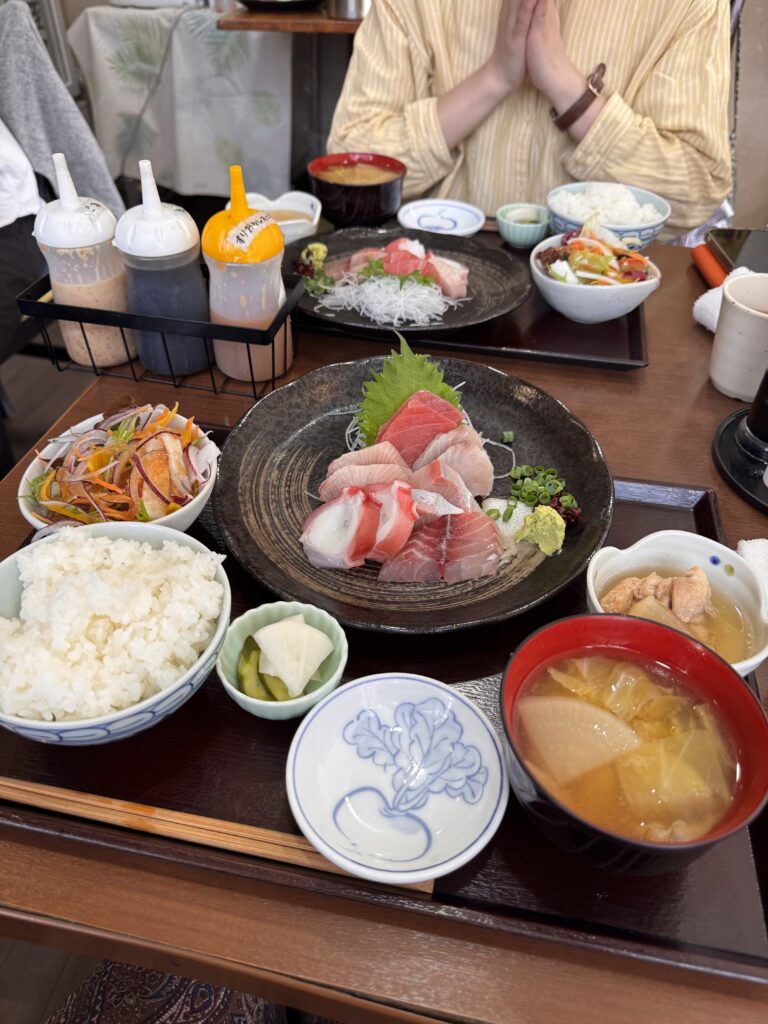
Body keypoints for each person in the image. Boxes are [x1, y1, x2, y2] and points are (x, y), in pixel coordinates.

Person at [327, 0, 732, 237]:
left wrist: (567, 88)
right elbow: (348, 168)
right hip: (433, 281)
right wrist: (494, 78)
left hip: (605, 290)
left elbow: (695, 190)